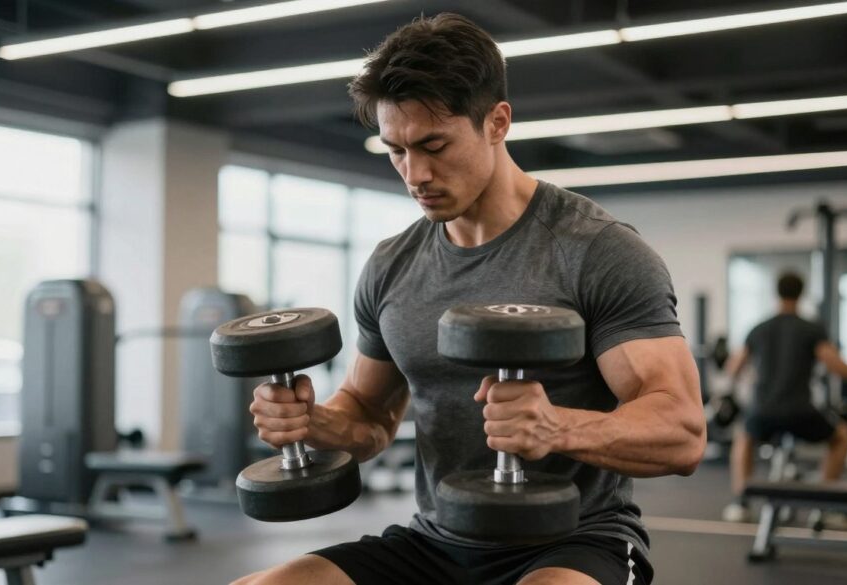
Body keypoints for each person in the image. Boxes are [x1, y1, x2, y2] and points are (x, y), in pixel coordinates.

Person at [233, 14, 705, 585]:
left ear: (497, 122)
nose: (415, 173)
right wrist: (313, 422)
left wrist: (556, 428)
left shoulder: (596, 251)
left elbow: (682, 431)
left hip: (578, 540)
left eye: (434, 145)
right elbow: (369, 414)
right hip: (434, 543)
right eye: (396, 151)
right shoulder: (391, 266)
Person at [722, 271, 847, 525]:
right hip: (799, 412)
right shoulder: (811, 329)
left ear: (777, 293)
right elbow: (837, 367)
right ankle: (827, 505)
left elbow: (733, 368)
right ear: (800, 294)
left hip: (763, 412)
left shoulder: (759, 328)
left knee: (744, 437)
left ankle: (741, 503)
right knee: (842, 436)